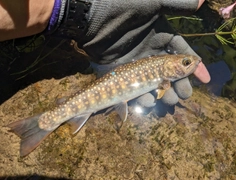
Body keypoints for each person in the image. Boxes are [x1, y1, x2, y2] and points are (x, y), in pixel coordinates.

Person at [0, 0, 210, 114]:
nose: (192, 61)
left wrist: (67, 9)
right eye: (186, 62)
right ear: (170, 68)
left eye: (187, 62)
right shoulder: (163, 79)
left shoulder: (164, 77)